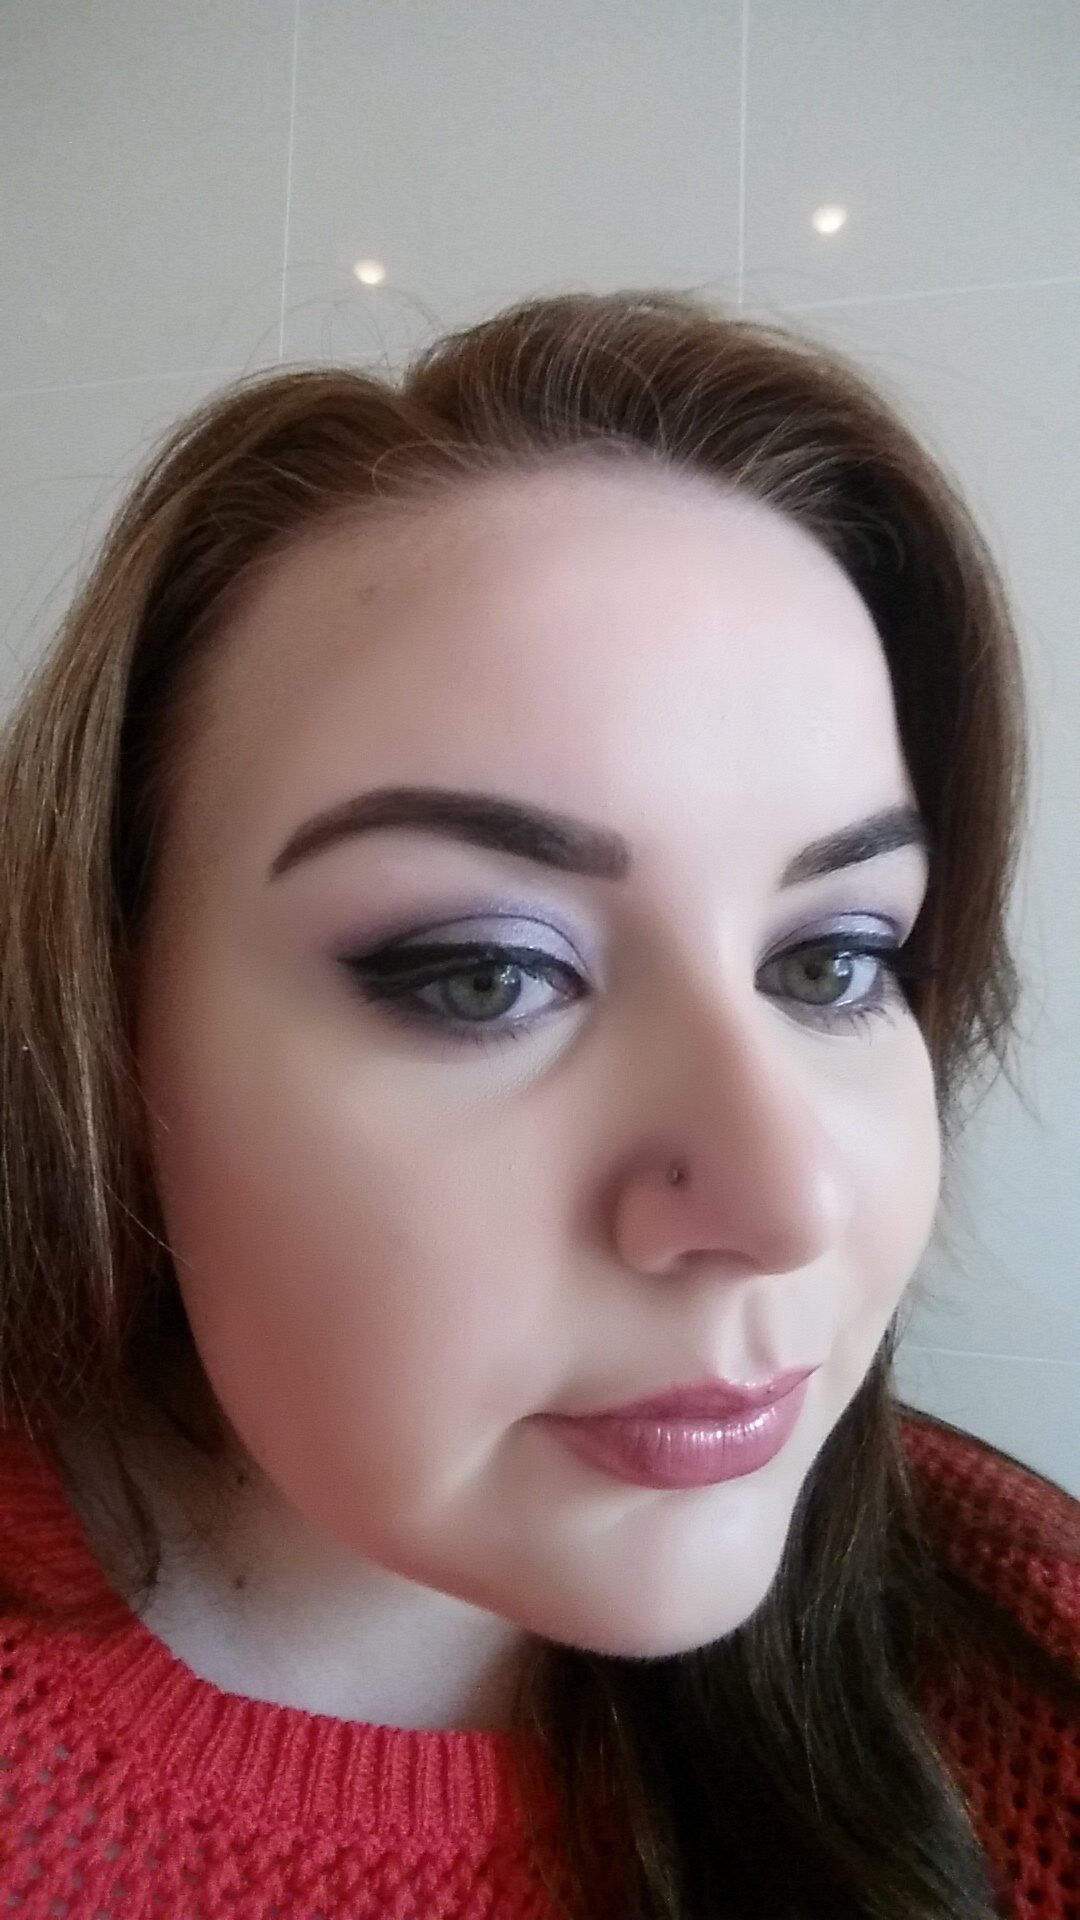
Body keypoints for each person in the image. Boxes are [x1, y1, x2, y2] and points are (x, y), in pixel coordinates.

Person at [0, 290, 1075, 1920]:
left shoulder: (1033, 1687)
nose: (784, 1198)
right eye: (486, 974)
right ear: (108, 1027)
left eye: (834, 961)